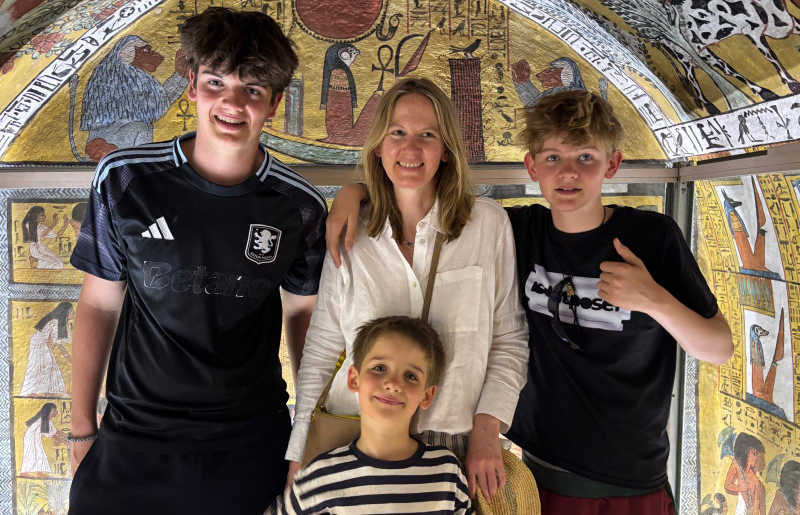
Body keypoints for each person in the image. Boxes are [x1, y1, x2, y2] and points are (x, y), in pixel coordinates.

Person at [325, 90, 733, 514]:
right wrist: (354, 192)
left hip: (632, 479)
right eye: (553, 158)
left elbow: (718, 348)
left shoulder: (652, 236)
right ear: (532, 166)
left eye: (586, 158)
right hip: (539, 474)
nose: (569, 173)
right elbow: (427, 197)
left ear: (612, 164)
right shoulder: (516, 230)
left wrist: (655, 300)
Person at [67, 8, 326, 514]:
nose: (232, 102)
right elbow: (98, 305)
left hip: (249, 444)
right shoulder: (125, 179)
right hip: (133, 439)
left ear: (273, 104)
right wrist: (81, 431)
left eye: (252, 90)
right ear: (191, 86)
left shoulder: (298, 206)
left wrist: (307, 438)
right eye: (216, 82)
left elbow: (305, 318)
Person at [285, 77, 529, 501]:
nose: (411, 149)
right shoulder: (351, 229)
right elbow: (324, 345)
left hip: (455, 447)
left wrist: (488, 432)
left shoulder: (486, 224)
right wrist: (299, 453)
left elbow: (509, 340)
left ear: (446, 149)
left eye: (427, 135)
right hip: (354, 441)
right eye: (397, 133)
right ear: (379, 145)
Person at [274, 316, 471, 514]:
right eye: (379, 368)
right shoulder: (317, 479)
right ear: (354, 379)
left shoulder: (447, 474)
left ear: (427, 395)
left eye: (411, 376)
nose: (393, 383)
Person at [19, 301, 73, 396]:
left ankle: (47, 392)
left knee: (49, 365)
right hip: (38, 344)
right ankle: (33, 391)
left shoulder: (58, 321)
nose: (74, 313)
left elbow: (67, 340)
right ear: (66, 312)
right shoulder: (55, 322)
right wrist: (70, 359)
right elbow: (60, 345)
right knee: (44, 365)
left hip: (39, 343)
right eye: (72, 311)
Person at [20, 402, 62, 475]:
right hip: (31, 438)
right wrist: (65, 442)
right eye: (54, 410)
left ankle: (39, 471)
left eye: (55, 410)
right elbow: (51, 434)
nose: (55, 412)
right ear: (48, 411)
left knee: (39, 452)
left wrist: (67, 435)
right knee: (34, 453)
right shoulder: (43, 419)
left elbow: (55, 431)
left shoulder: (47, 420)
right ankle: (26, 472)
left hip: (35, 437)